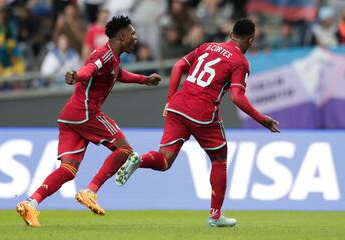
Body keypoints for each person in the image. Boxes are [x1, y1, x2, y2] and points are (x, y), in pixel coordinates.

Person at [115, 18, 280, 227]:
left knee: (164, 160)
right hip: (202, 114)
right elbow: (237, 97)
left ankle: (140, 159)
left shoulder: (207, 46)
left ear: (230, 35)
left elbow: (177, 66)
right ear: (251, 40)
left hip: (178, 106)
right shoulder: (240, 62)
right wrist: (261, 119)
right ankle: (215, 215)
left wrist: (169, 99)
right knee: (219, 159)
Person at [16, 15, 161, 227]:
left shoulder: (113, 58)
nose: (135, 38)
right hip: (85, 112)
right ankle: (90, 191)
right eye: (132, 34)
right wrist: (78, 75)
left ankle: (30, 204)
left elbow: (118, 74)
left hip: (69, 116)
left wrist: (144, 80)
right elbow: (90, 69)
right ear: (122, 36)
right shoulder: (104, 54)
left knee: (68, 170)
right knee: (125, 151)